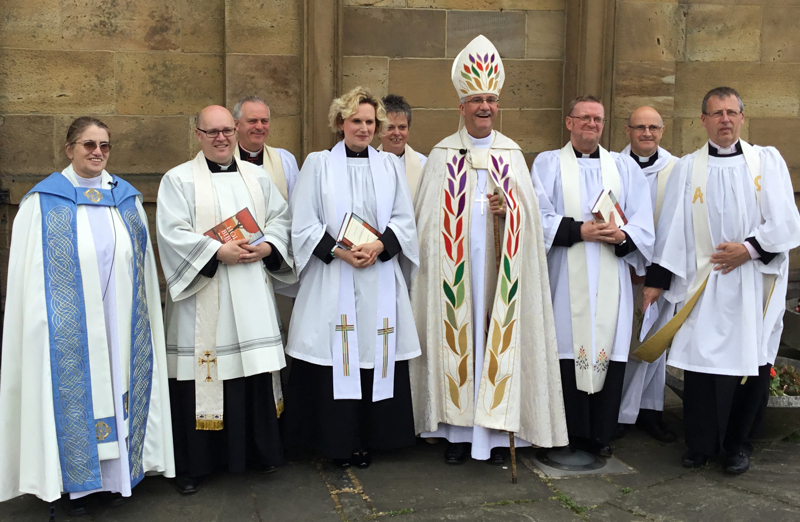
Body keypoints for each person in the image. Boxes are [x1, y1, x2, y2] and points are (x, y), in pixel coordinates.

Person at [0, 117, 175, 515]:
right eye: (88, 145)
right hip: (66, 330)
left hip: (119, 323)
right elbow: (28, 281)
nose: (97, 152)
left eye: (105, 146)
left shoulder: (126, 200)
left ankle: (115, 478)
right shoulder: (43, 203)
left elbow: (142, 272)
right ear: (70, 149)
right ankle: (68, 482)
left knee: (117, 385)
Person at [410, 35, 568, 466]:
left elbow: (533, 223)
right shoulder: (442, 155)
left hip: (502, 272)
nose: (484, 107)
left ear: (498, 106)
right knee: (460, 344)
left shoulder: (512, 154)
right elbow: (426, 224)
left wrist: (510, 209)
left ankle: (497, 435)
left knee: (494, 342)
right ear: (462, 106)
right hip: (455, 275)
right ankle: (459, 434)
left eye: (490, 100)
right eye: (476, 99)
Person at [641, 87, 800, 474]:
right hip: (703, 285)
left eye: (732, 112)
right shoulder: (687, 168)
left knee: (751, 365)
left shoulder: (767, 162)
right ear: (704, 121)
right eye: (717, 113)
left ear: (742, 118)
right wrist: (657, 281)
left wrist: (749, 249)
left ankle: (737, 447)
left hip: (751, 283)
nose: (725, 119)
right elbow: (671, 231)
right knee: (702, 368)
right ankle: (699, 445)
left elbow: (786, 221)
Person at [156, 105, 296, 494]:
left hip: (250, 290)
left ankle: (257, 454)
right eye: (211, 131)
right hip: (206, 295)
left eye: (226, 131)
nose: (220, 138)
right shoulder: (178, 180)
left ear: (235, 132)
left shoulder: (258, 178)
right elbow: (171, 232)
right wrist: (216, 253)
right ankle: (197, 464)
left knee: (251, 371)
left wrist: (267, 247)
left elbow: (281, 221)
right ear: (197, 134)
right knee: (206, 374)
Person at [284, 87, 420, 469]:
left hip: (377, 276)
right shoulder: (318, 164)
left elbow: (404, 221)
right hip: (334, 278)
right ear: (340, 122)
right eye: (356, 121)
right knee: (336, 354)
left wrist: (378, 247)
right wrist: (342, 252)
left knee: (373, 354)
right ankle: (336, 442)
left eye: (370, 122)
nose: (364, 128)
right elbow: (304, 224)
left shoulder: (389, 166)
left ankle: (372, 439)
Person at [531, 95, 655, 458]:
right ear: (569, 123)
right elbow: (535, 214)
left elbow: (644, 220)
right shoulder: (547, 163)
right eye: (584, 118)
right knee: (565, 348)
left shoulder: (623, 167)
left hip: (610, 276)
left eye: (598, 120)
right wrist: (577, 231)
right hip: (564, 273)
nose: (591, 125)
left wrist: (622, 236)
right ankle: (563, 434)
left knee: (607, 350)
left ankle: (599, 435)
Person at [616, 106, 678, 443]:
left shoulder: (678, 170)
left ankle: (650, 412)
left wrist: (656, 278)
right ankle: (620, 413)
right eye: (639, 127)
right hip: (621, 269)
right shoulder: (613, 165)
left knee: (654, 345)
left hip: (661, 273)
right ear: (627, 131)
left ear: (663, 130)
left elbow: (678, 228)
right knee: (622, 343)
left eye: (653, 127)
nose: (647, 133)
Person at [232, 94, 301, 377]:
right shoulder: (221, 160)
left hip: (277, 263)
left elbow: (296, 211)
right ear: (236, 124)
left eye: (264, 120)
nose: (259, 126)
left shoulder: (284, 160)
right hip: (237, 261)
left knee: (279, 337)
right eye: (252, 121)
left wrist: (273, 247)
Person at [378, 94, 427, 199]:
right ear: (379, 130)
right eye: (390, 127)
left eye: (402, 127)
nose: (396, 133)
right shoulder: (368, 164)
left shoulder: (424, 165)